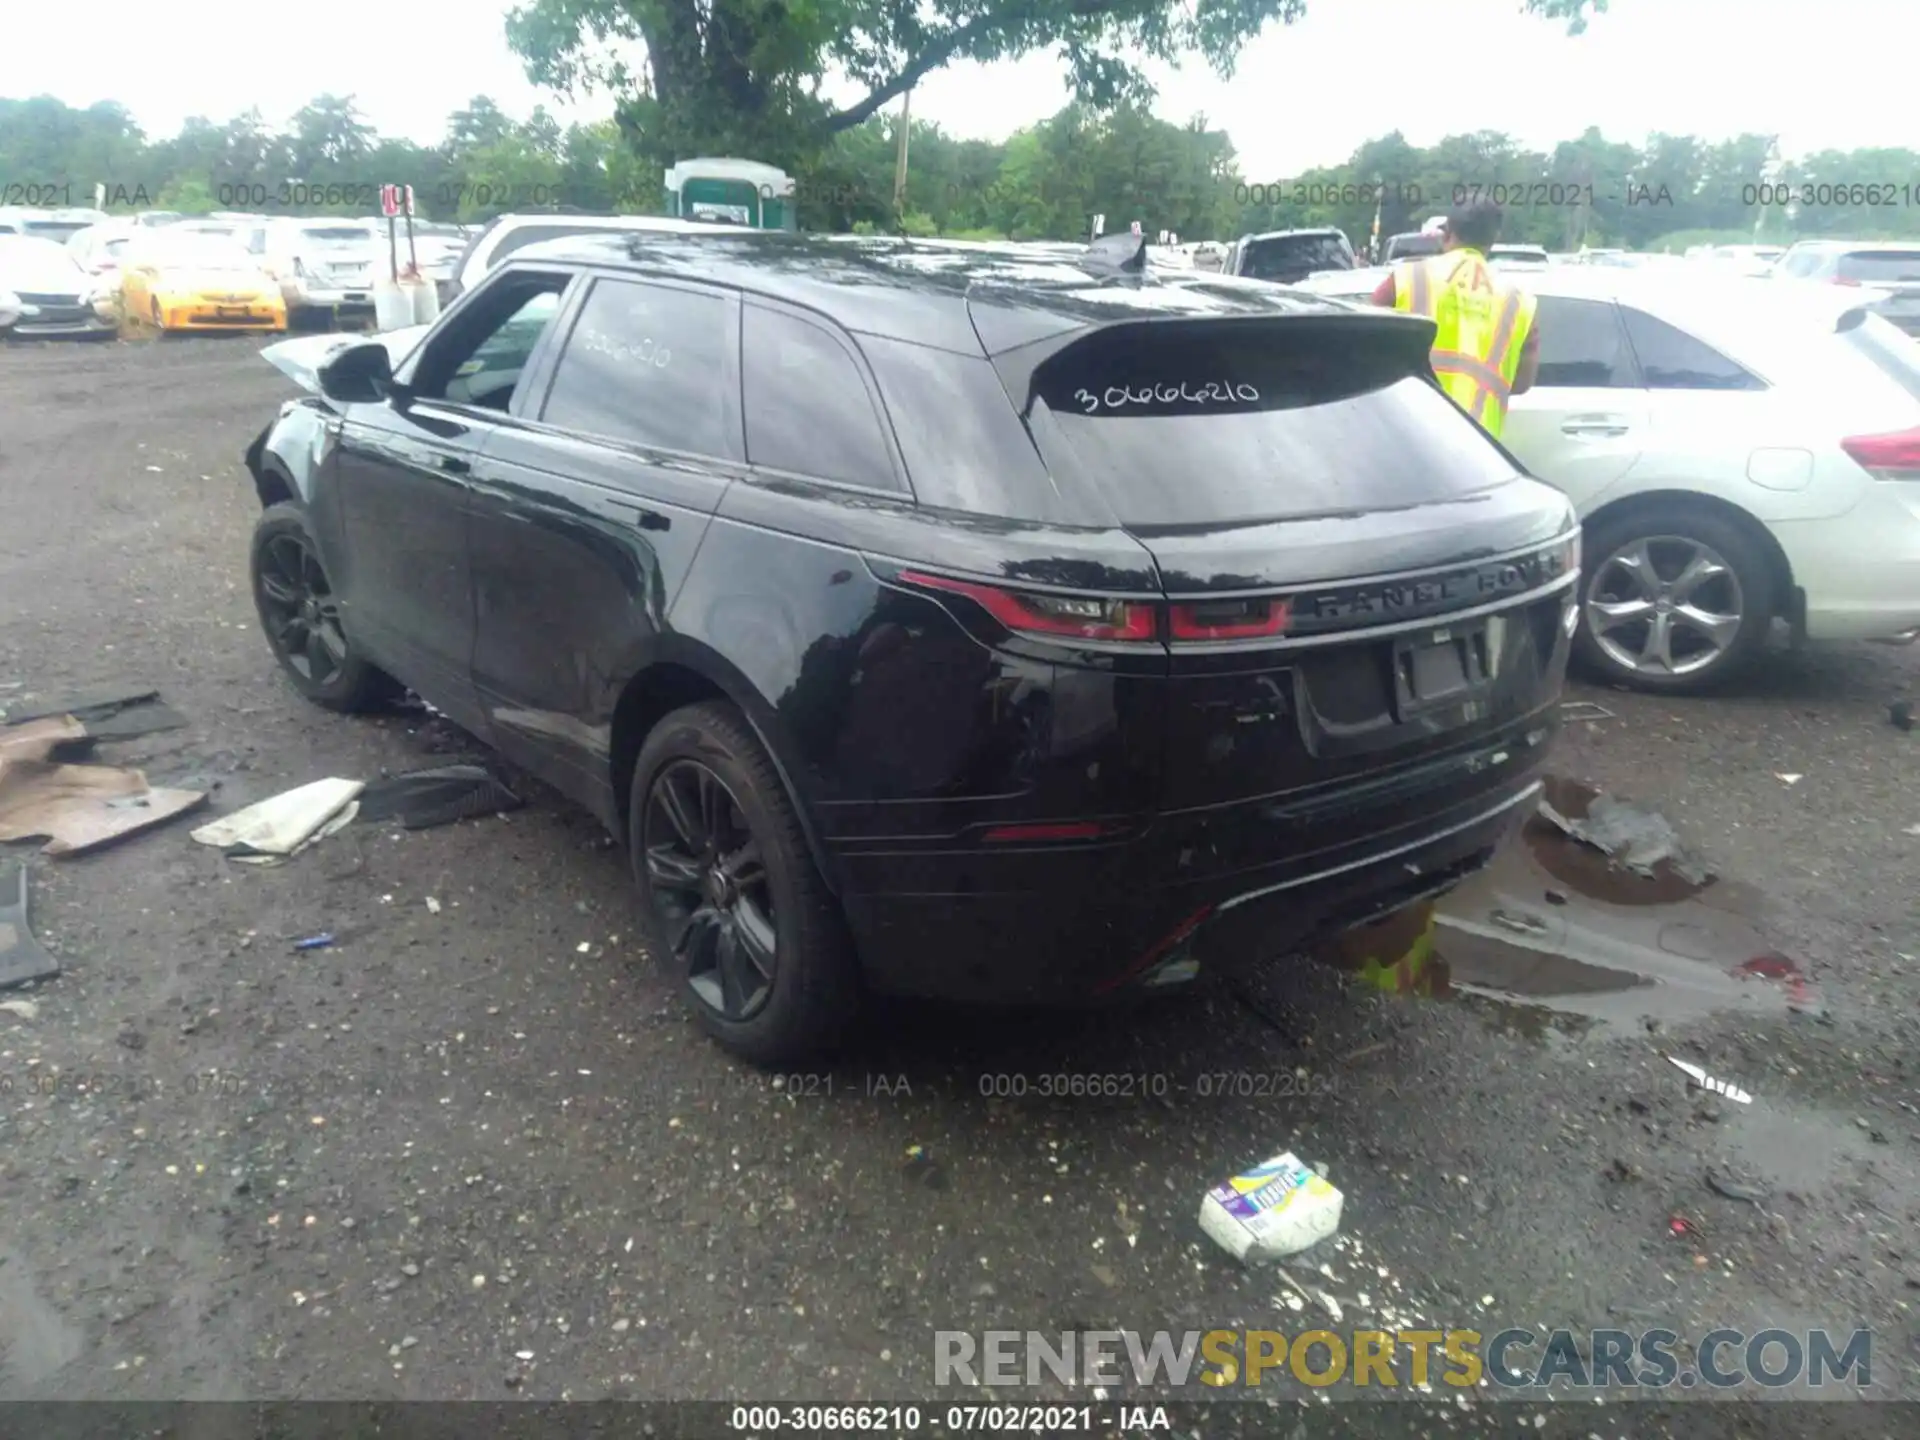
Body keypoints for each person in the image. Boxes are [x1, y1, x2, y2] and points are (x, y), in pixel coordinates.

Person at [1369, 197, 1540, 440]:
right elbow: (1522, 383)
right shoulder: (1519, 299)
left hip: (1409, 435)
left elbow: (1363, 346)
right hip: (1479, 447)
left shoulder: (1408, 277)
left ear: (1447, 232)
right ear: (1493, 239)